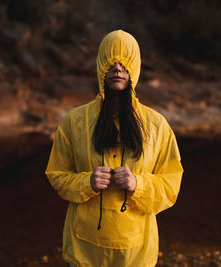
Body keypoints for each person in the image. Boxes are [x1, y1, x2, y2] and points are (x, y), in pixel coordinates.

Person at [45, 30, 184, 267]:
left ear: (135, 68)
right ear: (100, 66)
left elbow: (171, 185)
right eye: (111, 61)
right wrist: (86, 182)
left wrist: (137, 185)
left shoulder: (156, 125)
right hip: (84, 253)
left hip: (135, 255)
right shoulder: (75, 121)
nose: (118, 68)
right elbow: (57, 175)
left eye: (124, 62)